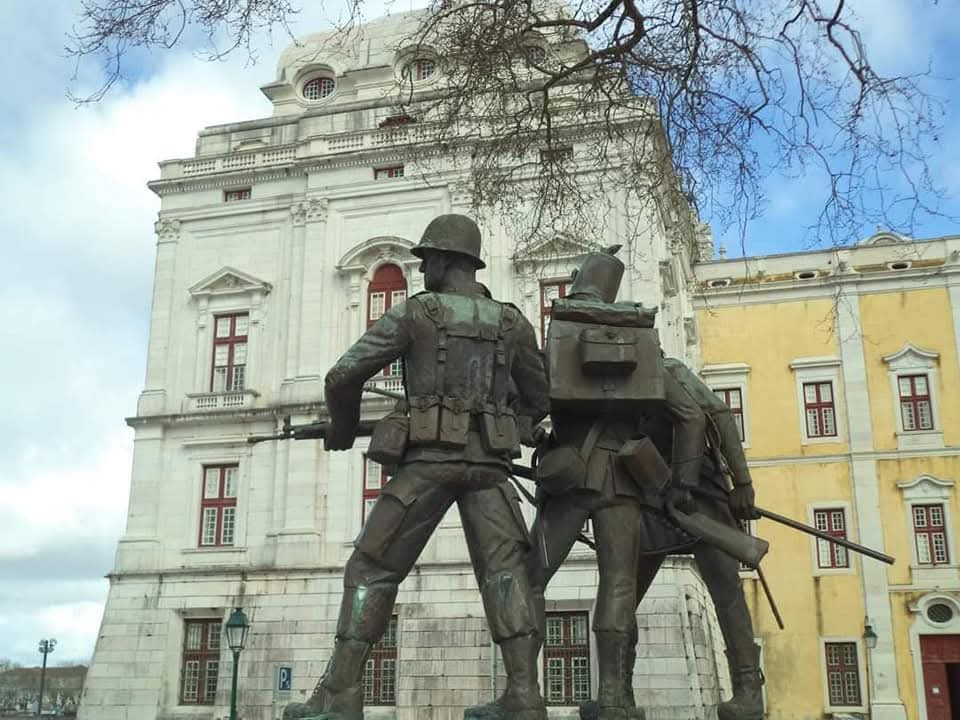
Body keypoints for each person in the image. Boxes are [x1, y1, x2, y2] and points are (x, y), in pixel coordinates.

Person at [284, 214, 551, 720]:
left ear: (447, 259)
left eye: (427, 258)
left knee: (372, 568)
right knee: (507, 575)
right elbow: (540, 397)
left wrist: (341, 429)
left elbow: (342, 375)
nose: (423, 266)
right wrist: (505, 426)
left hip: (427, 465)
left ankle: (340, 694)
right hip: (489, 470)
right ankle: (523, 694)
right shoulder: (513, 322)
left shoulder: (417, 314)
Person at [527, 249, 706, 720]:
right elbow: (690, 416)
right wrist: (682, 483)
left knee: (531, 577)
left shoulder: (561, 333)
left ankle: (522, 691)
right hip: (625, 482)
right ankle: (612, 699)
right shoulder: (641, 341)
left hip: (569, 478)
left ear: (578, 283)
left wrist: (534, 434)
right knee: (619, 586)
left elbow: (527, 404)